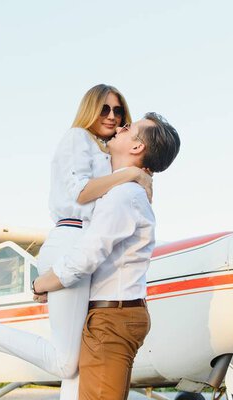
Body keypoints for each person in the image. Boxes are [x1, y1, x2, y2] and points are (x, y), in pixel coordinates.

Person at [0, 84, 152, 399]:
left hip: (84, 246)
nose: (112, 116)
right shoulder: (78, 138)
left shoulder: (107, 151)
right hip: (71, 240)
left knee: (78, 360)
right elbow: (81, 192)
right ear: (90, 109)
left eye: (118, 110)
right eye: (104, 108)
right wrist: (130, 175)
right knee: (65, 362)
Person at [33, 113, 181, 399]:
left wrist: (41, 284)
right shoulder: (126, 190)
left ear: (137, 148)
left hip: (112, 318)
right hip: (112, 314)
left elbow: (86, 255)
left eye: (130, 128)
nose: (121, 126)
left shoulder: (123, 196)